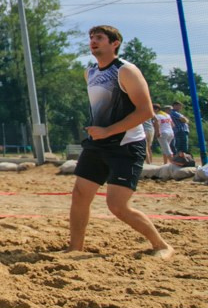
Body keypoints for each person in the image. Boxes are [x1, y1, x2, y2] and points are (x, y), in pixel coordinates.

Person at [69, 25, 172, 258]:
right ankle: (75, 249)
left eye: (99, 38)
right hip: (98, 143)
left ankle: (162, 245)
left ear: (114, 43)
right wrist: (101, 131)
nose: (93, 41)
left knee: (117, 206)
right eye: (91, 38)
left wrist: (108, 130)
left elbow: (145, 111)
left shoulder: (126, 71)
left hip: (126, 144)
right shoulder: (90, 72)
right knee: (80, 195)